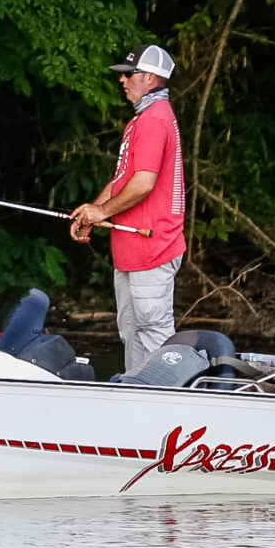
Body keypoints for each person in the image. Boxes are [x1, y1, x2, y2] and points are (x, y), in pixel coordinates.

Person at [68, 44, 187, 374]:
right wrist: (94, 210)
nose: (122, 80)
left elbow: (144, 184)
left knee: (155, 340)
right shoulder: (142, 120)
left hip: (152, 249)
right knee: (132, 335)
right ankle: (137, 399)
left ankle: (165, 410)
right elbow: (124, 179)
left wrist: (102, 213)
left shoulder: (154, 121)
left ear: (149, 78)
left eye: (129, 74)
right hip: (133, 250)